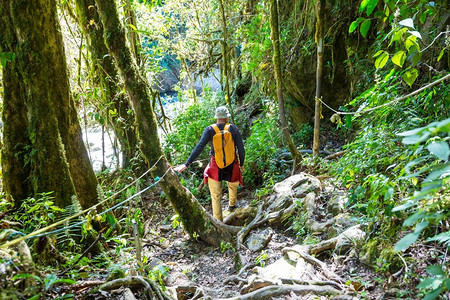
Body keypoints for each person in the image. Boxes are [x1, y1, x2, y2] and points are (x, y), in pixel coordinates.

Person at [174, 106, 245, 221]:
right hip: (232, 163)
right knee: (232, 184)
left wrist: (187, 164)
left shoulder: (210, 130)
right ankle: (232, 205)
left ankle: (218, 220)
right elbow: (241, 148)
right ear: (227, 117)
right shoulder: (233, 129)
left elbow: (199, 147)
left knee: (216, 195)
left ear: (216, 117)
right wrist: (241, 163)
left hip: (215, 165)